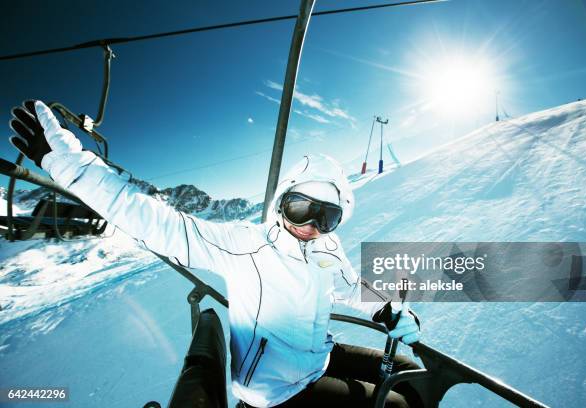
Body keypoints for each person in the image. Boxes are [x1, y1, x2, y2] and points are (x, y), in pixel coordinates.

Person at [9, 100, 423, 408]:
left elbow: (350, 288)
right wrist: (72, 167)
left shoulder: (325, 247)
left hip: (320, 359)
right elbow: (158, 223)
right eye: (301, 208)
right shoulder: (246, 246)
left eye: (327, 217)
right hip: (277, 391)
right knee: (399, 405)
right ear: (282, 203)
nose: (310, 226)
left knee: (410, 375)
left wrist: (385, 310)